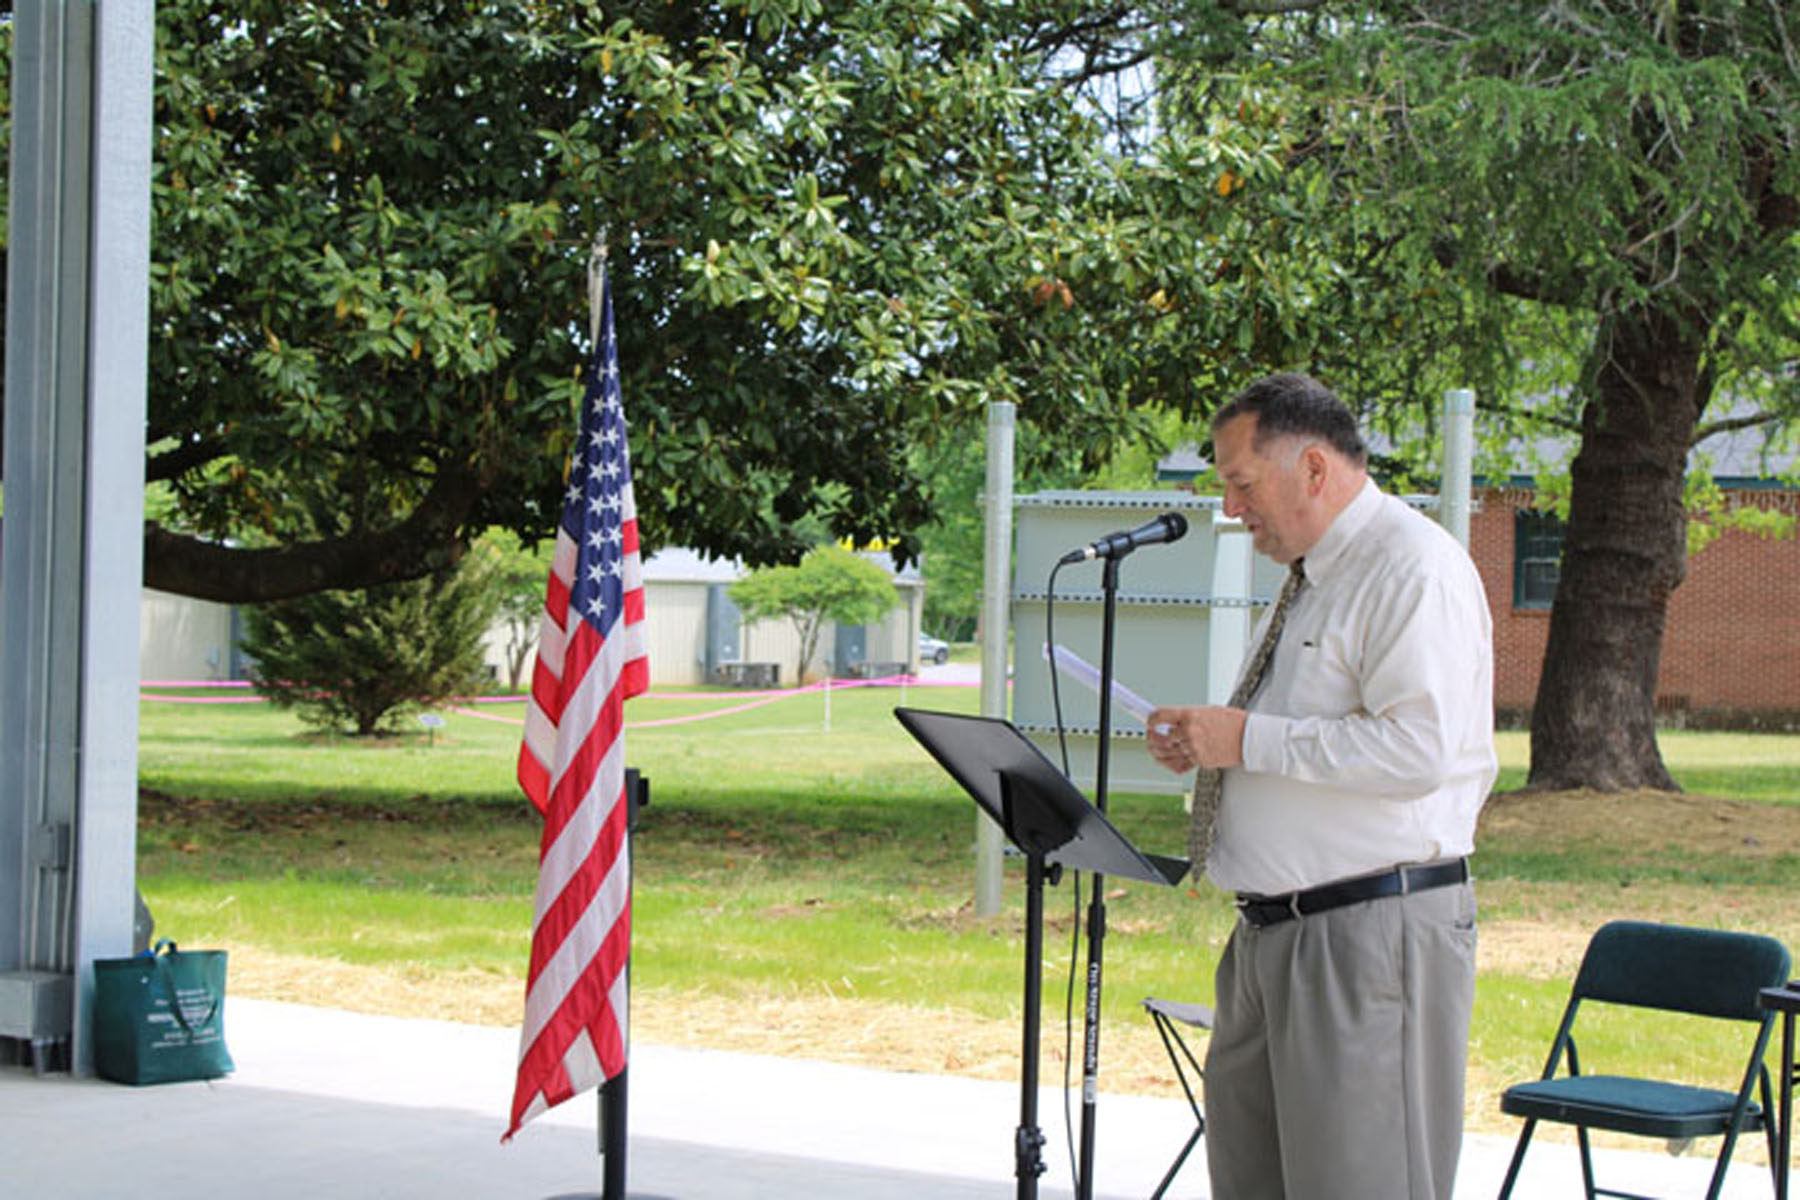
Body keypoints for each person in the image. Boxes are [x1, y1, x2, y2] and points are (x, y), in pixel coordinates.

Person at [1146, 372, 1496, 1200]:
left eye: (1240, 484)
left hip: (1368, 933)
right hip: (1270, 937)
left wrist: (1247, 739)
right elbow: (1306, 735)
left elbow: (1419, 751)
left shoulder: (1412, 570)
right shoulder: (1313, 574)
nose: (1232, 510)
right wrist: (1216, 750)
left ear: (1311, 469)